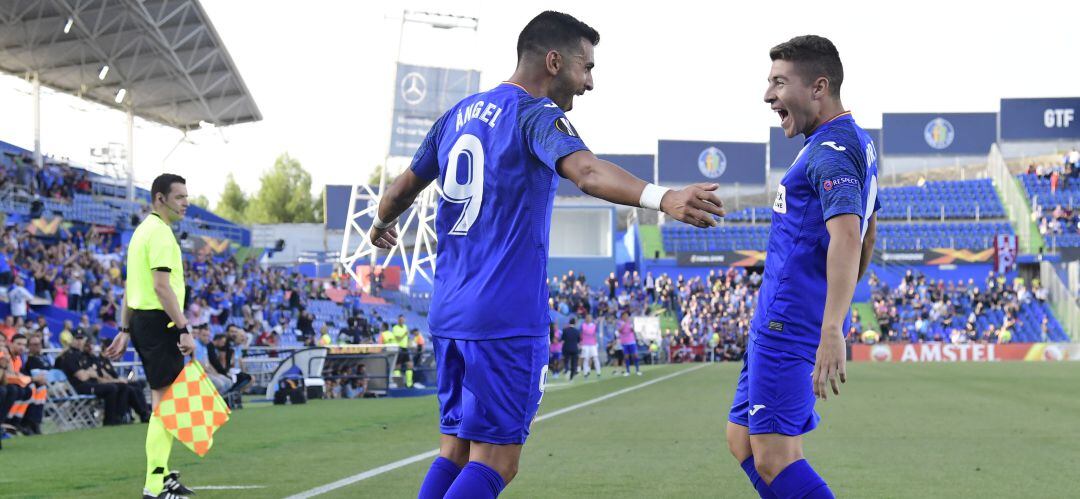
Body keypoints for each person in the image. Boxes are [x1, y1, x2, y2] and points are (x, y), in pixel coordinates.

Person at [368, 11, 724, 499]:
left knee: (454, 450)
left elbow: (398, 191)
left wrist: (382, 224)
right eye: (586, 67)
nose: (590, 82)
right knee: (497, 462)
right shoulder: (534, 114)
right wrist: (663, 197)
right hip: (504, 316)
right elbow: (587, 172)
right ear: (554, 61)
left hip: (449, 312)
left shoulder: (455, 116)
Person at [726, 36, 879, 499]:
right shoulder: (849, 141)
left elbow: (849, 235)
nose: (768, 95)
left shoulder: (831, 148)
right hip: (777, 318)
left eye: (778, 82)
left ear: (818, 87)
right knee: (742, 443)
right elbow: (869, 229)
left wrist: (831, 325)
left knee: (774, 457)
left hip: (789, 320)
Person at [104, 173, 197, 499]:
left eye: (187, 196)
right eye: (180, 196)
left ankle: (161, 477)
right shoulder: (158, 233)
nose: (186, 202)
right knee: (165, 405)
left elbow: (132, 286)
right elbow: (160, 287)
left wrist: (125, 329)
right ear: (161, 198)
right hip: (160, 323)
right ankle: (155, 484)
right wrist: (184, 327)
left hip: (146, 322)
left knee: (169, 404)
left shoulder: (142, 231)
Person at [616, 311, 641, 376]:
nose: (626, 317)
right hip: (624, 342)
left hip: (632, 341)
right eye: (625, 316)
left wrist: (633, 328)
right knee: (626, 356)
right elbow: (619, 330)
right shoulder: (619, 323)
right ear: (622, 317)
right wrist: (624, 324)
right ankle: (627, 371)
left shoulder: (630, 322)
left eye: (627, 316)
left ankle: (637, 370)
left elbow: (633, 330)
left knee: (635, 355)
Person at [580, 314, 601, 379]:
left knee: (595, 358)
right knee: (586, 359)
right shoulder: (582, 325)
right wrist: (581, 343)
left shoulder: (594, 326)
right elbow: (580, 334)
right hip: (585, 344)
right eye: (587, 317)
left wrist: (596, 342)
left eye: (590, 318)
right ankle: (585, 373)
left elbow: (595, 334)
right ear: (585, 318)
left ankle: (598, 372)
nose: (588, 319)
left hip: (592, 344)